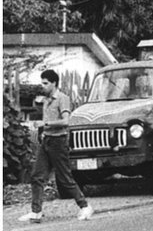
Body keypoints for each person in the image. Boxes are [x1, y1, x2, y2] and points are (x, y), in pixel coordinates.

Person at [19, 69, 93, 223]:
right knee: (37, 176)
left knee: (64, 177)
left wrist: (45, 123)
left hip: (59, 142)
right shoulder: (46, 101)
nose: (43, 86)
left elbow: (66, 121)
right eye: (42, 83)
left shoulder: (62, 99)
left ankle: (85, 206)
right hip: (46, 140)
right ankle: (36, 212)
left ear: (54, 83)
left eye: (45, 83)